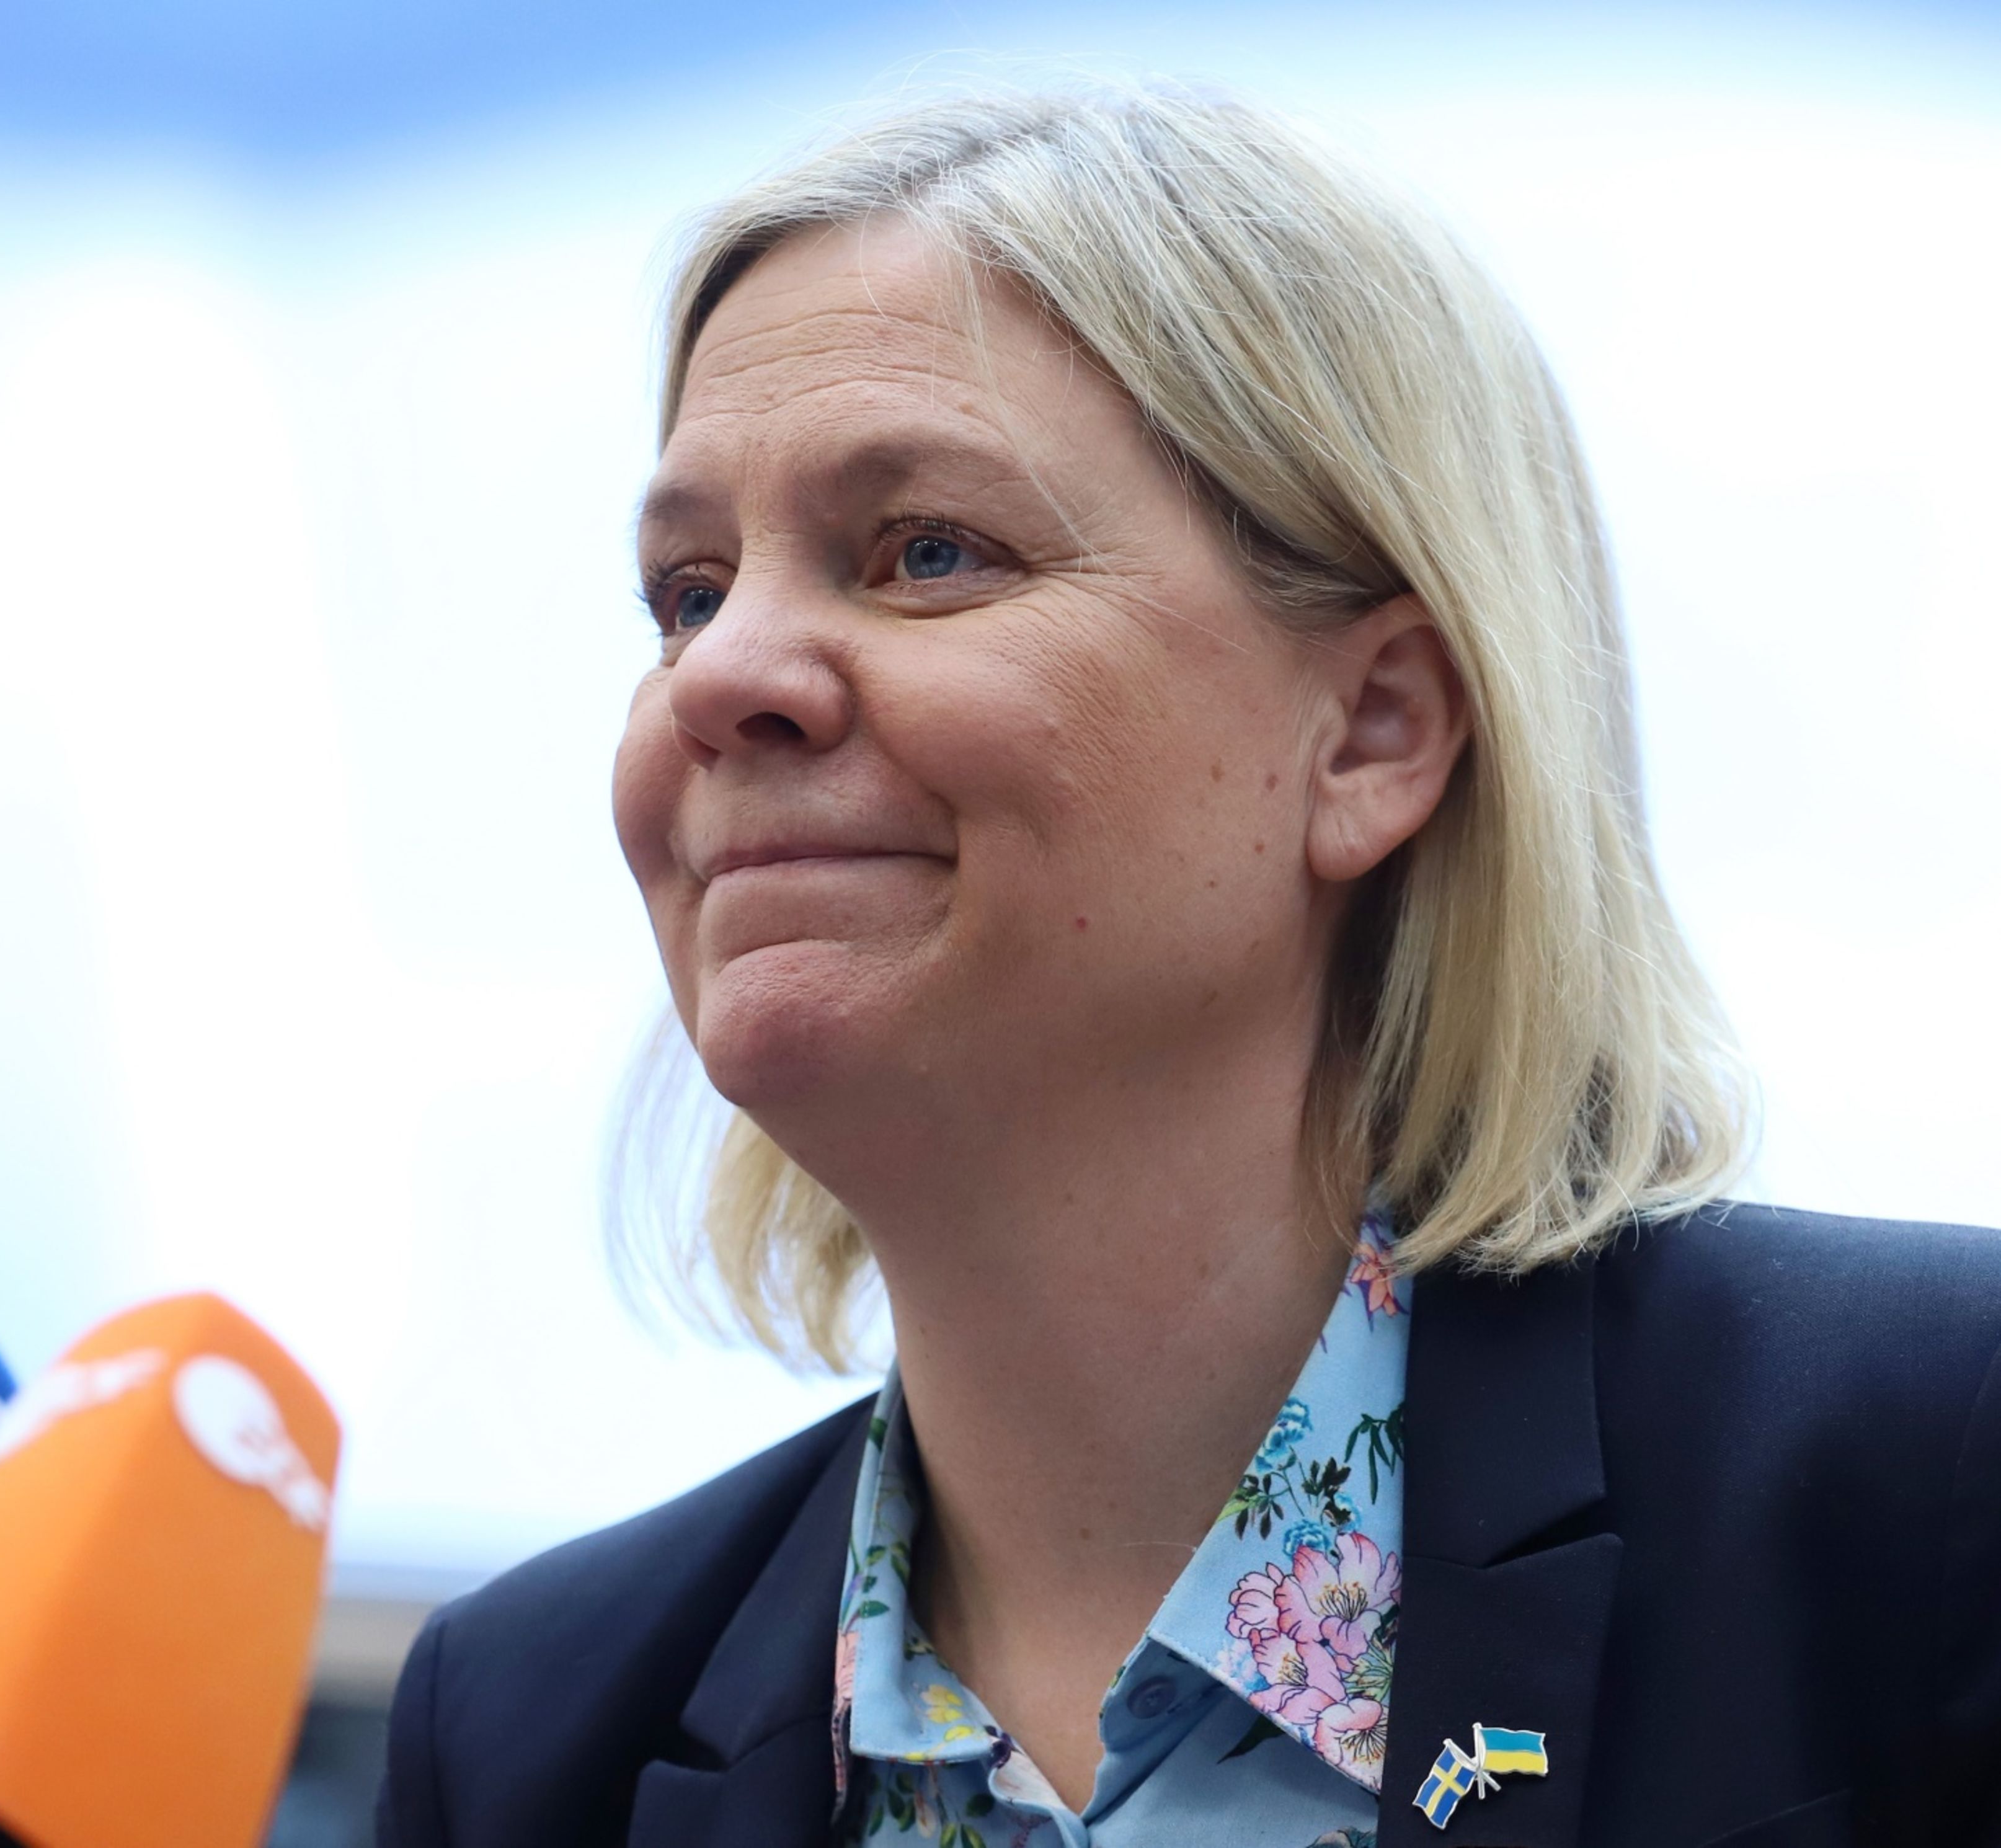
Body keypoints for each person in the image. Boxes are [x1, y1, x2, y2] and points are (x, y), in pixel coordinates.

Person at [373, 86, 2001, 1848]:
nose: (716, 676)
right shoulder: (525, 1740)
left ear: (1373, 730)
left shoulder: (1931, 1483)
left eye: (927, 552)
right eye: (687, 592)